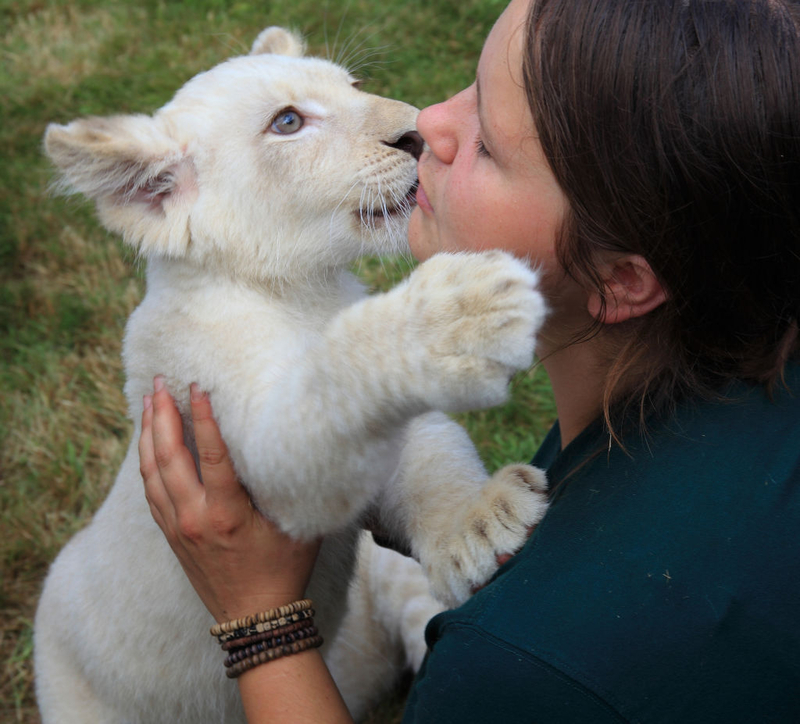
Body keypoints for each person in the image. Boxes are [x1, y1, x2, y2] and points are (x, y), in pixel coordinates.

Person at [138, 0, 800, 721]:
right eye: (473, 90)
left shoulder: (521, 673)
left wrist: (261, 621)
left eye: (490, 145)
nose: (421, 121)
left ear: (621, 280)